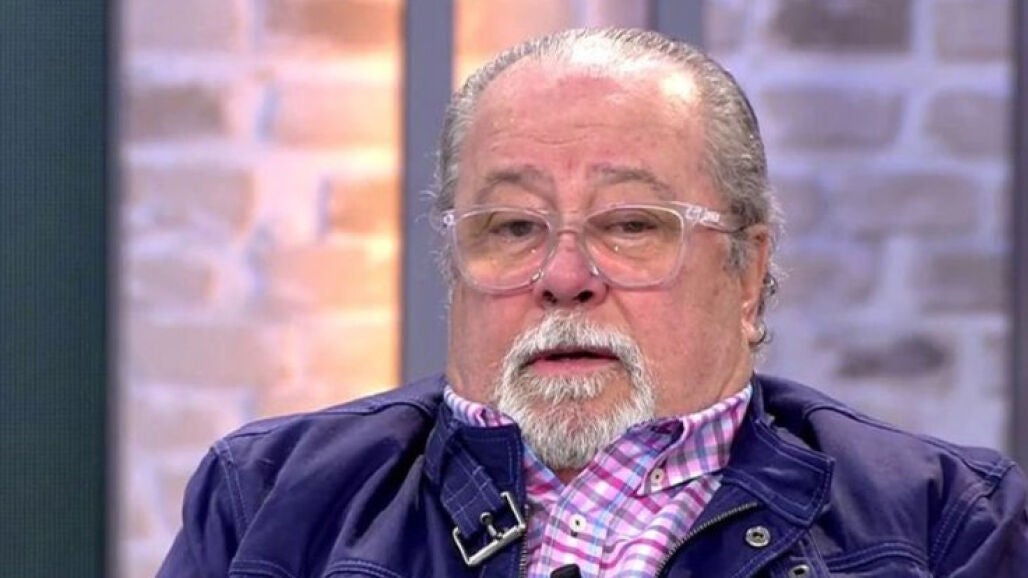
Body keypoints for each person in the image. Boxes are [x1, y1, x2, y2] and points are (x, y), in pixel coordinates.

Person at [158, 28, 1027, 577]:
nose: (565, 275)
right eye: (512, 227)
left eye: (631, 224)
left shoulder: (950, 522)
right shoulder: (268, 496)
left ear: (748, 273)